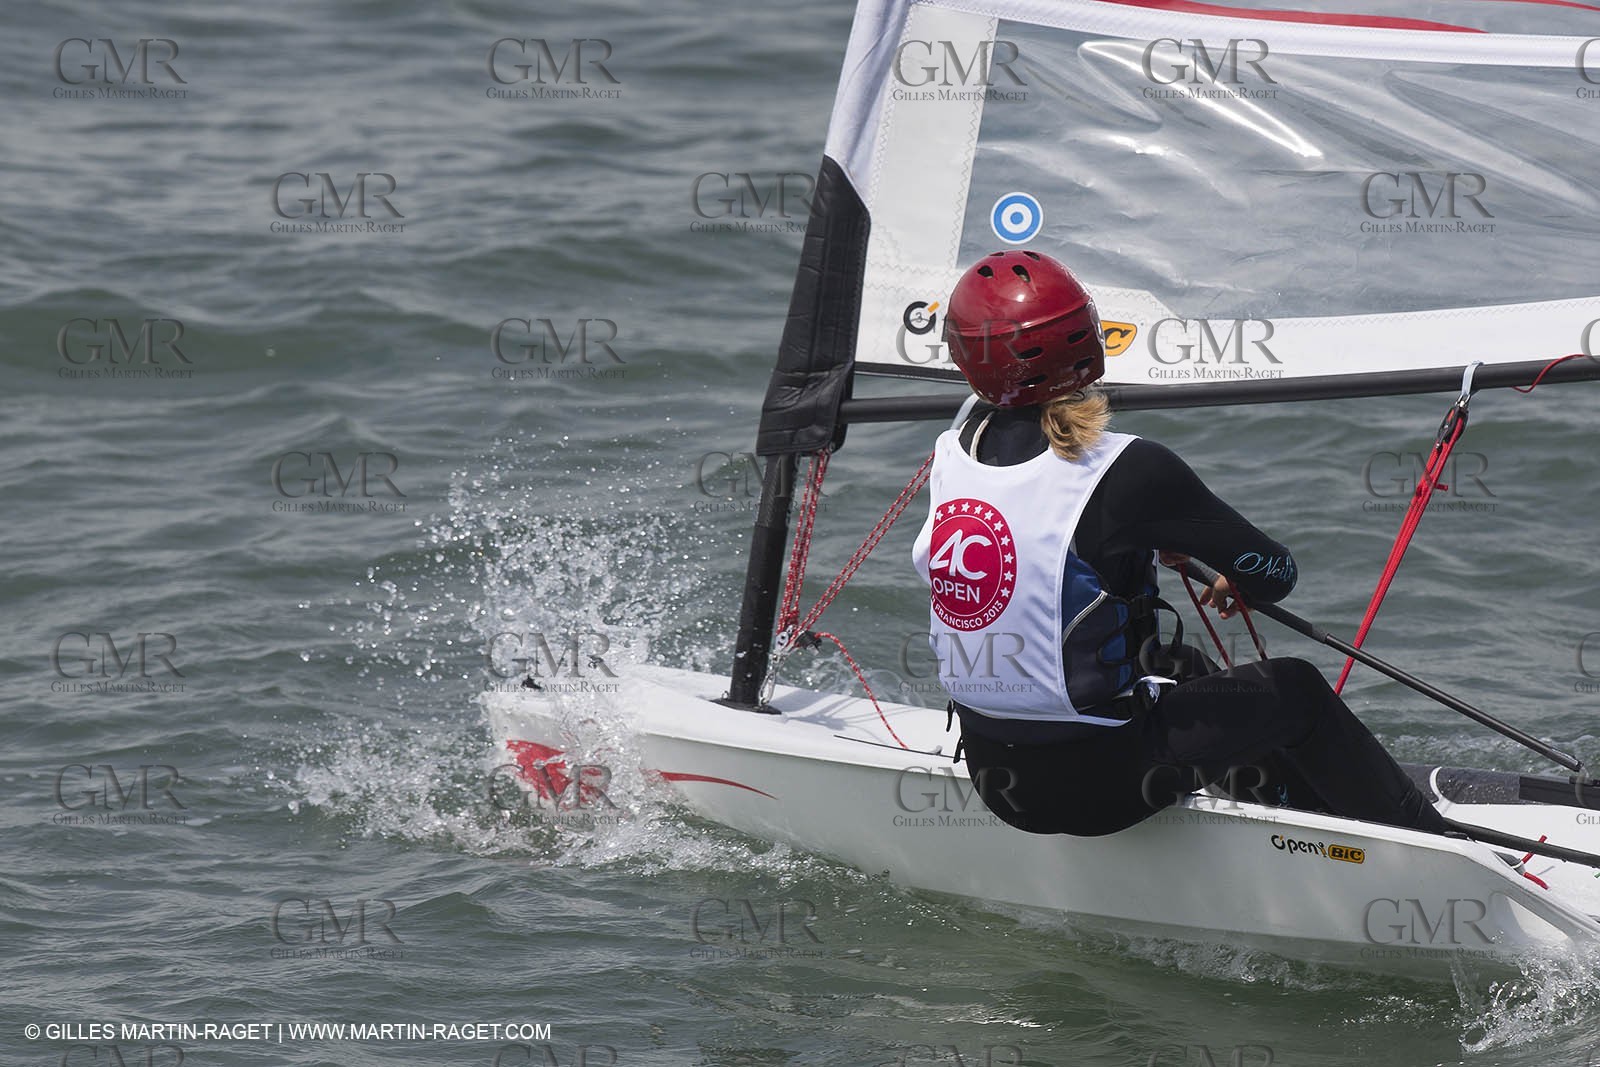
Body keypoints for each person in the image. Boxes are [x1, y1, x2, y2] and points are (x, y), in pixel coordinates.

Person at [910, 249, 1446, 838]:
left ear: (968, 358)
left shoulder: (953, 453)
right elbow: (1274, 573)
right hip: (1096, 790)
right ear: (1090, 337)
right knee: (1295, 689)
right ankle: (1428, 844)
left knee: (1176, 664)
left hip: (997, 776)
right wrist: (1214, 559)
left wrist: (1139, 541)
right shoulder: (1129, 469)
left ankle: (1292, 815)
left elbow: (1042, 561)